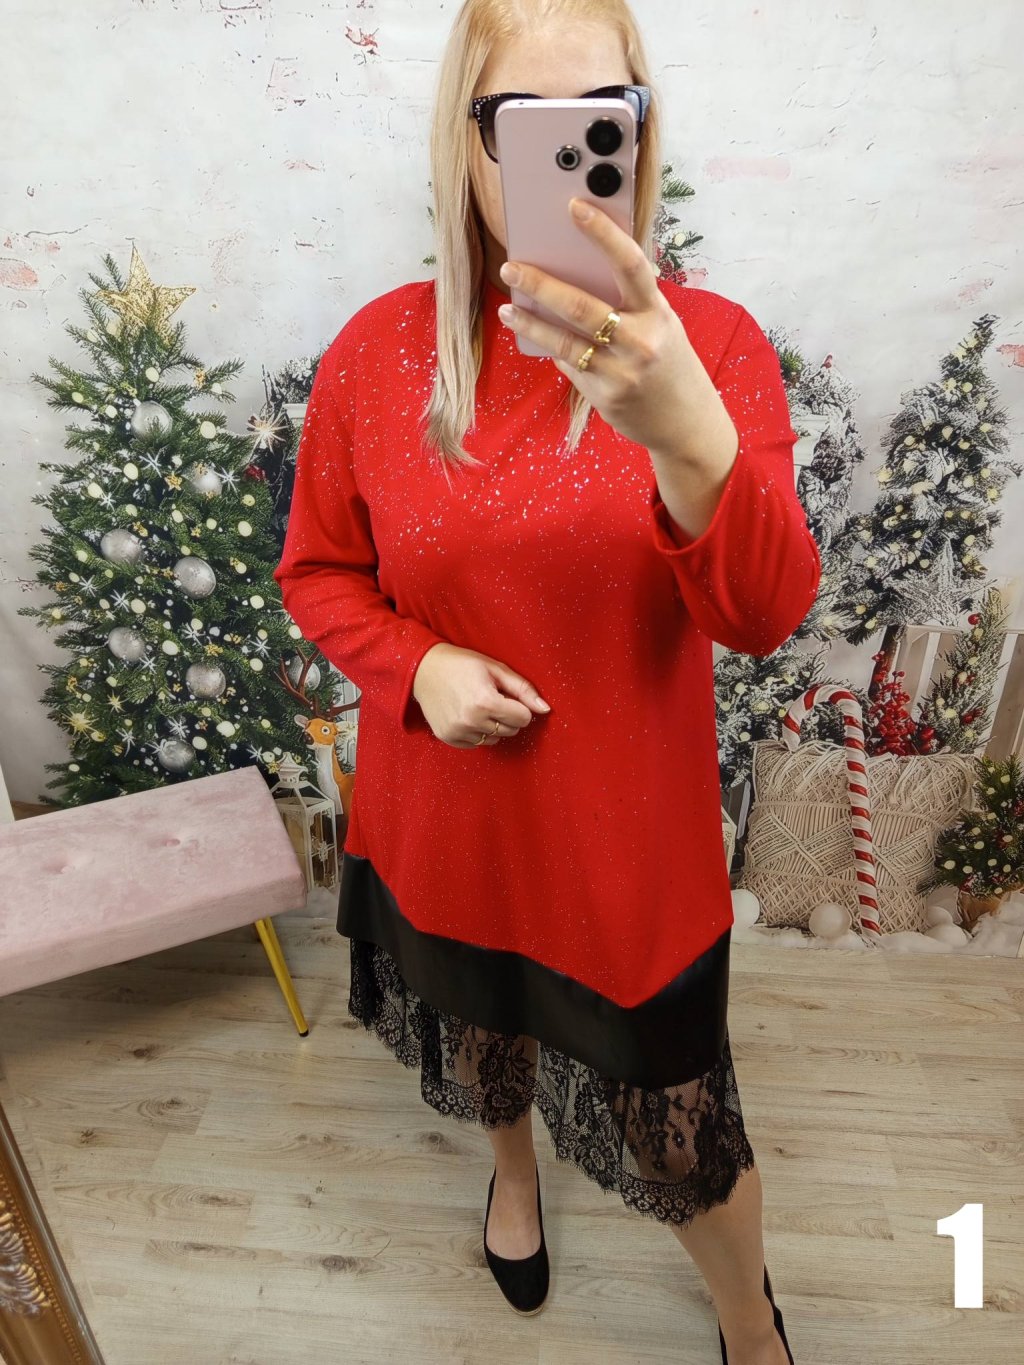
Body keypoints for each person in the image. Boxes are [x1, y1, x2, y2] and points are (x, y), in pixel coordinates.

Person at [273, 2, 819, 1361]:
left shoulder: (711, 349)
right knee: (486, 1049)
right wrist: (418, 666)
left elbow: (764, 615)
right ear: (466, 145)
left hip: (625, 860)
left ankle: (749, 1321)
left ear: (641, 134)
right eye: (524, 125)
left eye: (603, 119)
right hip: (448, 830)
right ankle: (511, 1180)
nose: (571, 158)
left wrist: (689, 437)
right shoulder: (378, 355)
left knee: (684, 1137)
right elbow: (318, 574)